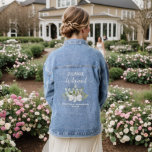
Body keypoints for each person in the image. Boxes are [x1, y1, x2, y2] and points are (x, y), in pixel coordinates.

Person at [42, 6, 109, 152]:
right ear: (84, 28)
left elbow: (49, 93)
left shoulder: (53, 57)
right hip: (89, 126)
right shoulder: (97, 57)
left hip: (61, 125)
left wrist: (64, 108)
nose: (90, 29)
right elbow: (102, 94)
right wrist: (89, 107)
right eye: (89, 26)